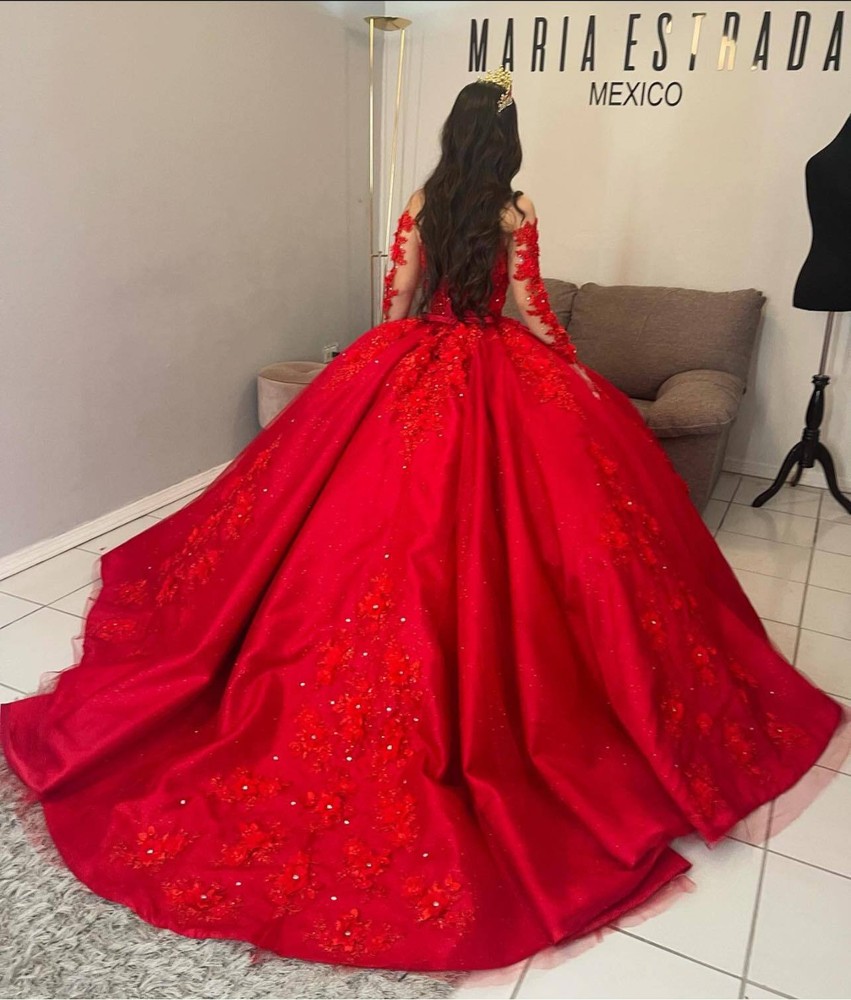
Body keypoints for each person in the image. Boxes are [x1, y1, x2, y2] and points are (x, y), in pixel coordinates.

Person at [0, 69, 846, 974]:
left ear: (453, 133)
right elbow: (532, 311)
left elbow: (396, 302)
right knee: (545, 537)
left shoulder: (418, 203)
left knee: (354, 529)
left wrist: (388, 354)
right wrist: (572, 371)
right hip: (497, 367)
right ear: (506, 144)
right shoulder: (516, 210)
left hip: (409, 365)